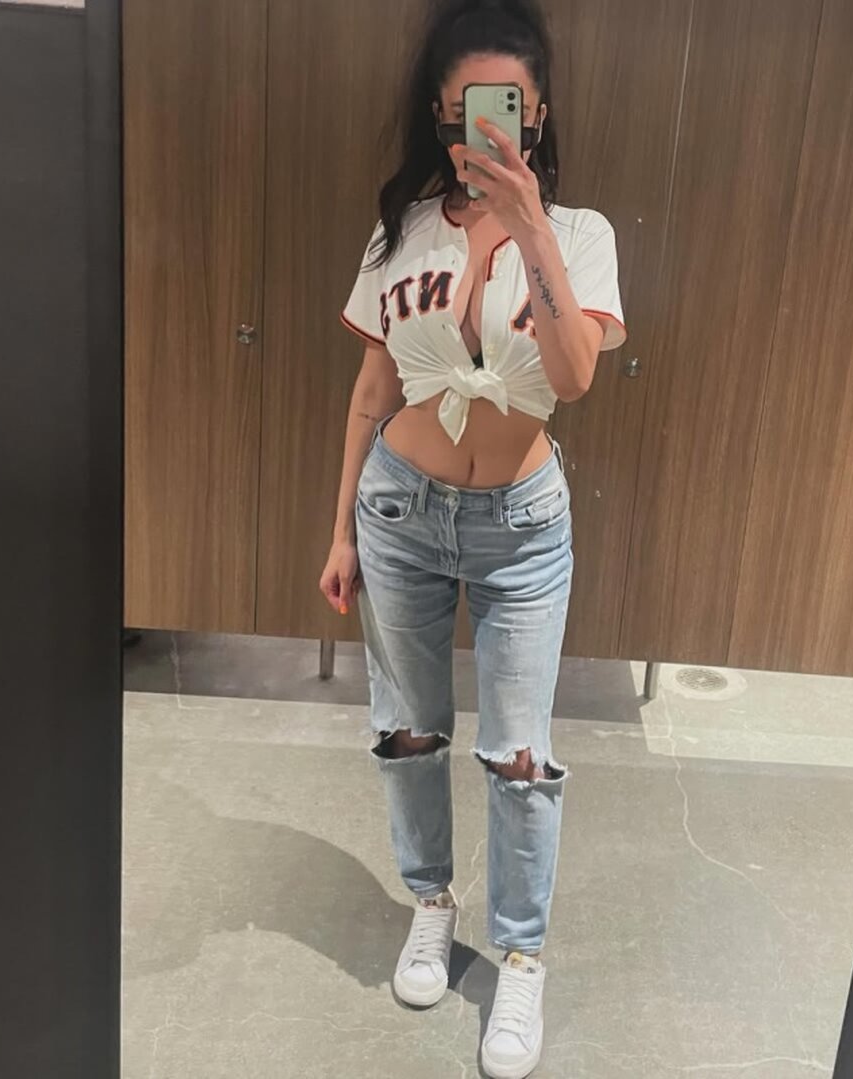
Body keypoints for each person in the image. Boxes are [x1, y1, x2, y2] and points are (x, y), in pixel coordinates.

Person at [319, 0, 625, 1074]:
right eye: (462, 110)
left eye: (507, 107)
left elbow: (574, 379)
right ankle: (431, 903)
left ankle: (522, 956)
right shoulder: (400, 229)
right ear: (439, 112)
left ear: (535, 114)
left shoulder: (581, 235)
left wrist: (529, 222)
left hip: (522, 528)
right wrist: (341, 529)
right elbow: (371, 389)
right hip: (399, 510)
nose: (482, 129)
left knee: (522, 756)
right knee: (407, 727)